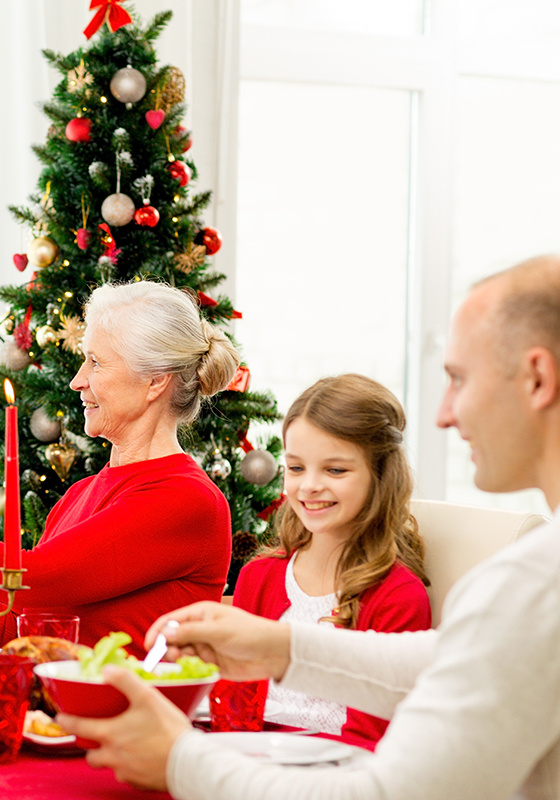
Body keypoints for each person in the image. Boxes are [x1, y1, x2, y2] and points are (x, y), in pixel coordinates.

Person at [59, 254, 560, 799]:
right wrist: (278, 645)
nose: (442, 414)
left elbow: (389, 793)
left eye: (459, 378)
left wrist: (179, 760)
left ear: (537, 378)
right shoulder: (534, 580)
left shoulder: (535, 584)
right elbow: (454, 661)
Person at [0, 281, 240, 656]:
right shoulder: (79, 494)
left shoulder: (188, 499)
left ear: (155, 381)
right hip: (56, 707)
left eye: (95, 362)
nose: (76, 380)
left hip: (127, 712)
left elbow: (37, 578)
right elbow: (18, 635)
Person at [232, 373, 430, 747]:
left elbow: (372, 743)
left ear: (381, 475)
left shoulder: (398, 598)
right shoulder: (258, 576)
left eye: (335, 470)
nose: (309, 486)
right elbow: (234, 709)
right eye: (296, 468)